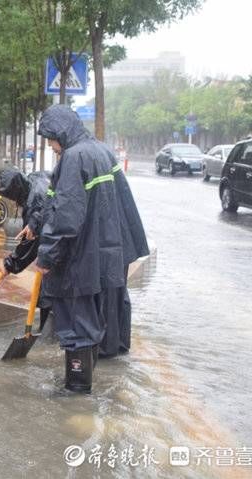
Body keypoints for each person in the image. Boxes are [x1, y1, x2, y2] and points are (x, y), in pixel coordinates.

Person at [35, 105, 125, 394]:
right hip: (100, 254)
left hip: (77, 257)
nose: (50, 145)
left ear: (62, 131)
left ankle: (75, 390)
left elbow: (66, 216)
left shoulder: (74, 157)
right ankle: (82, 384)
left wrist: (47, 255)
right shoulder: (98, 150)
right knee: (90, 320)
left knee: (76, 325)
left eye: (51, 138)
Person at [99, 149, 149, 357]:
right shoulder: (105, 157)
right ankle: (119, 343)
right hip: (124, 237)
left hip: (114, 240)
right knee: (118, 292)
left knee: (111, 294)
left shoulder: (95, 164)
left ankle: (108, 347)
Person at [0, 169, 52, 330]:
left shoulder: (34, 204)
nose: (11, 200)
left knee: (48, 290)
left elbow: (30, 243)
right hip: (63, 239)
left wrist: (10, 263)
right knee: (50, 289)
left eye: (11, 196)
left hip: (56, 247)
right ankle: (50, 328)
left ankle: (47, 331)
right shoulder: (36, 177)